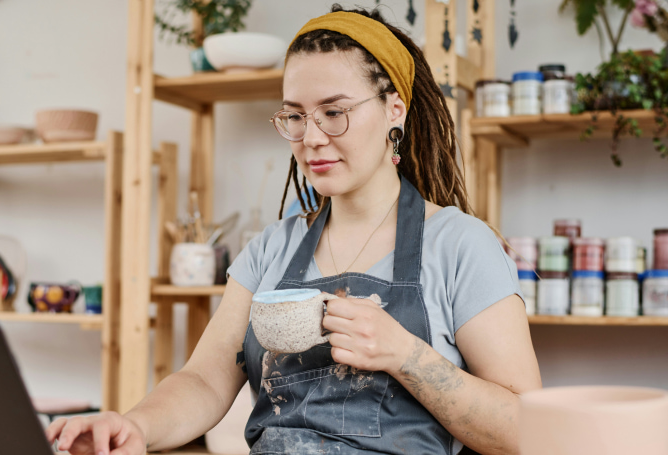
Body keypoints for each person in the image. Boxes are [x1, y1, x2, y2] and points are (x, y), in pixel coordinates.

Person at [46, 5, 542, 455]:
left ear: (395, 109)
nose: (312, 139)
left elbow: (527, 431)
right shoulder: (272, 248)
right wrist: (135, 426)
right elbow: (204, 379)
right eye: (295, 116)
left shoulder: (461, 245)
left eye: (334, 113)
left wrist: (407, 355)